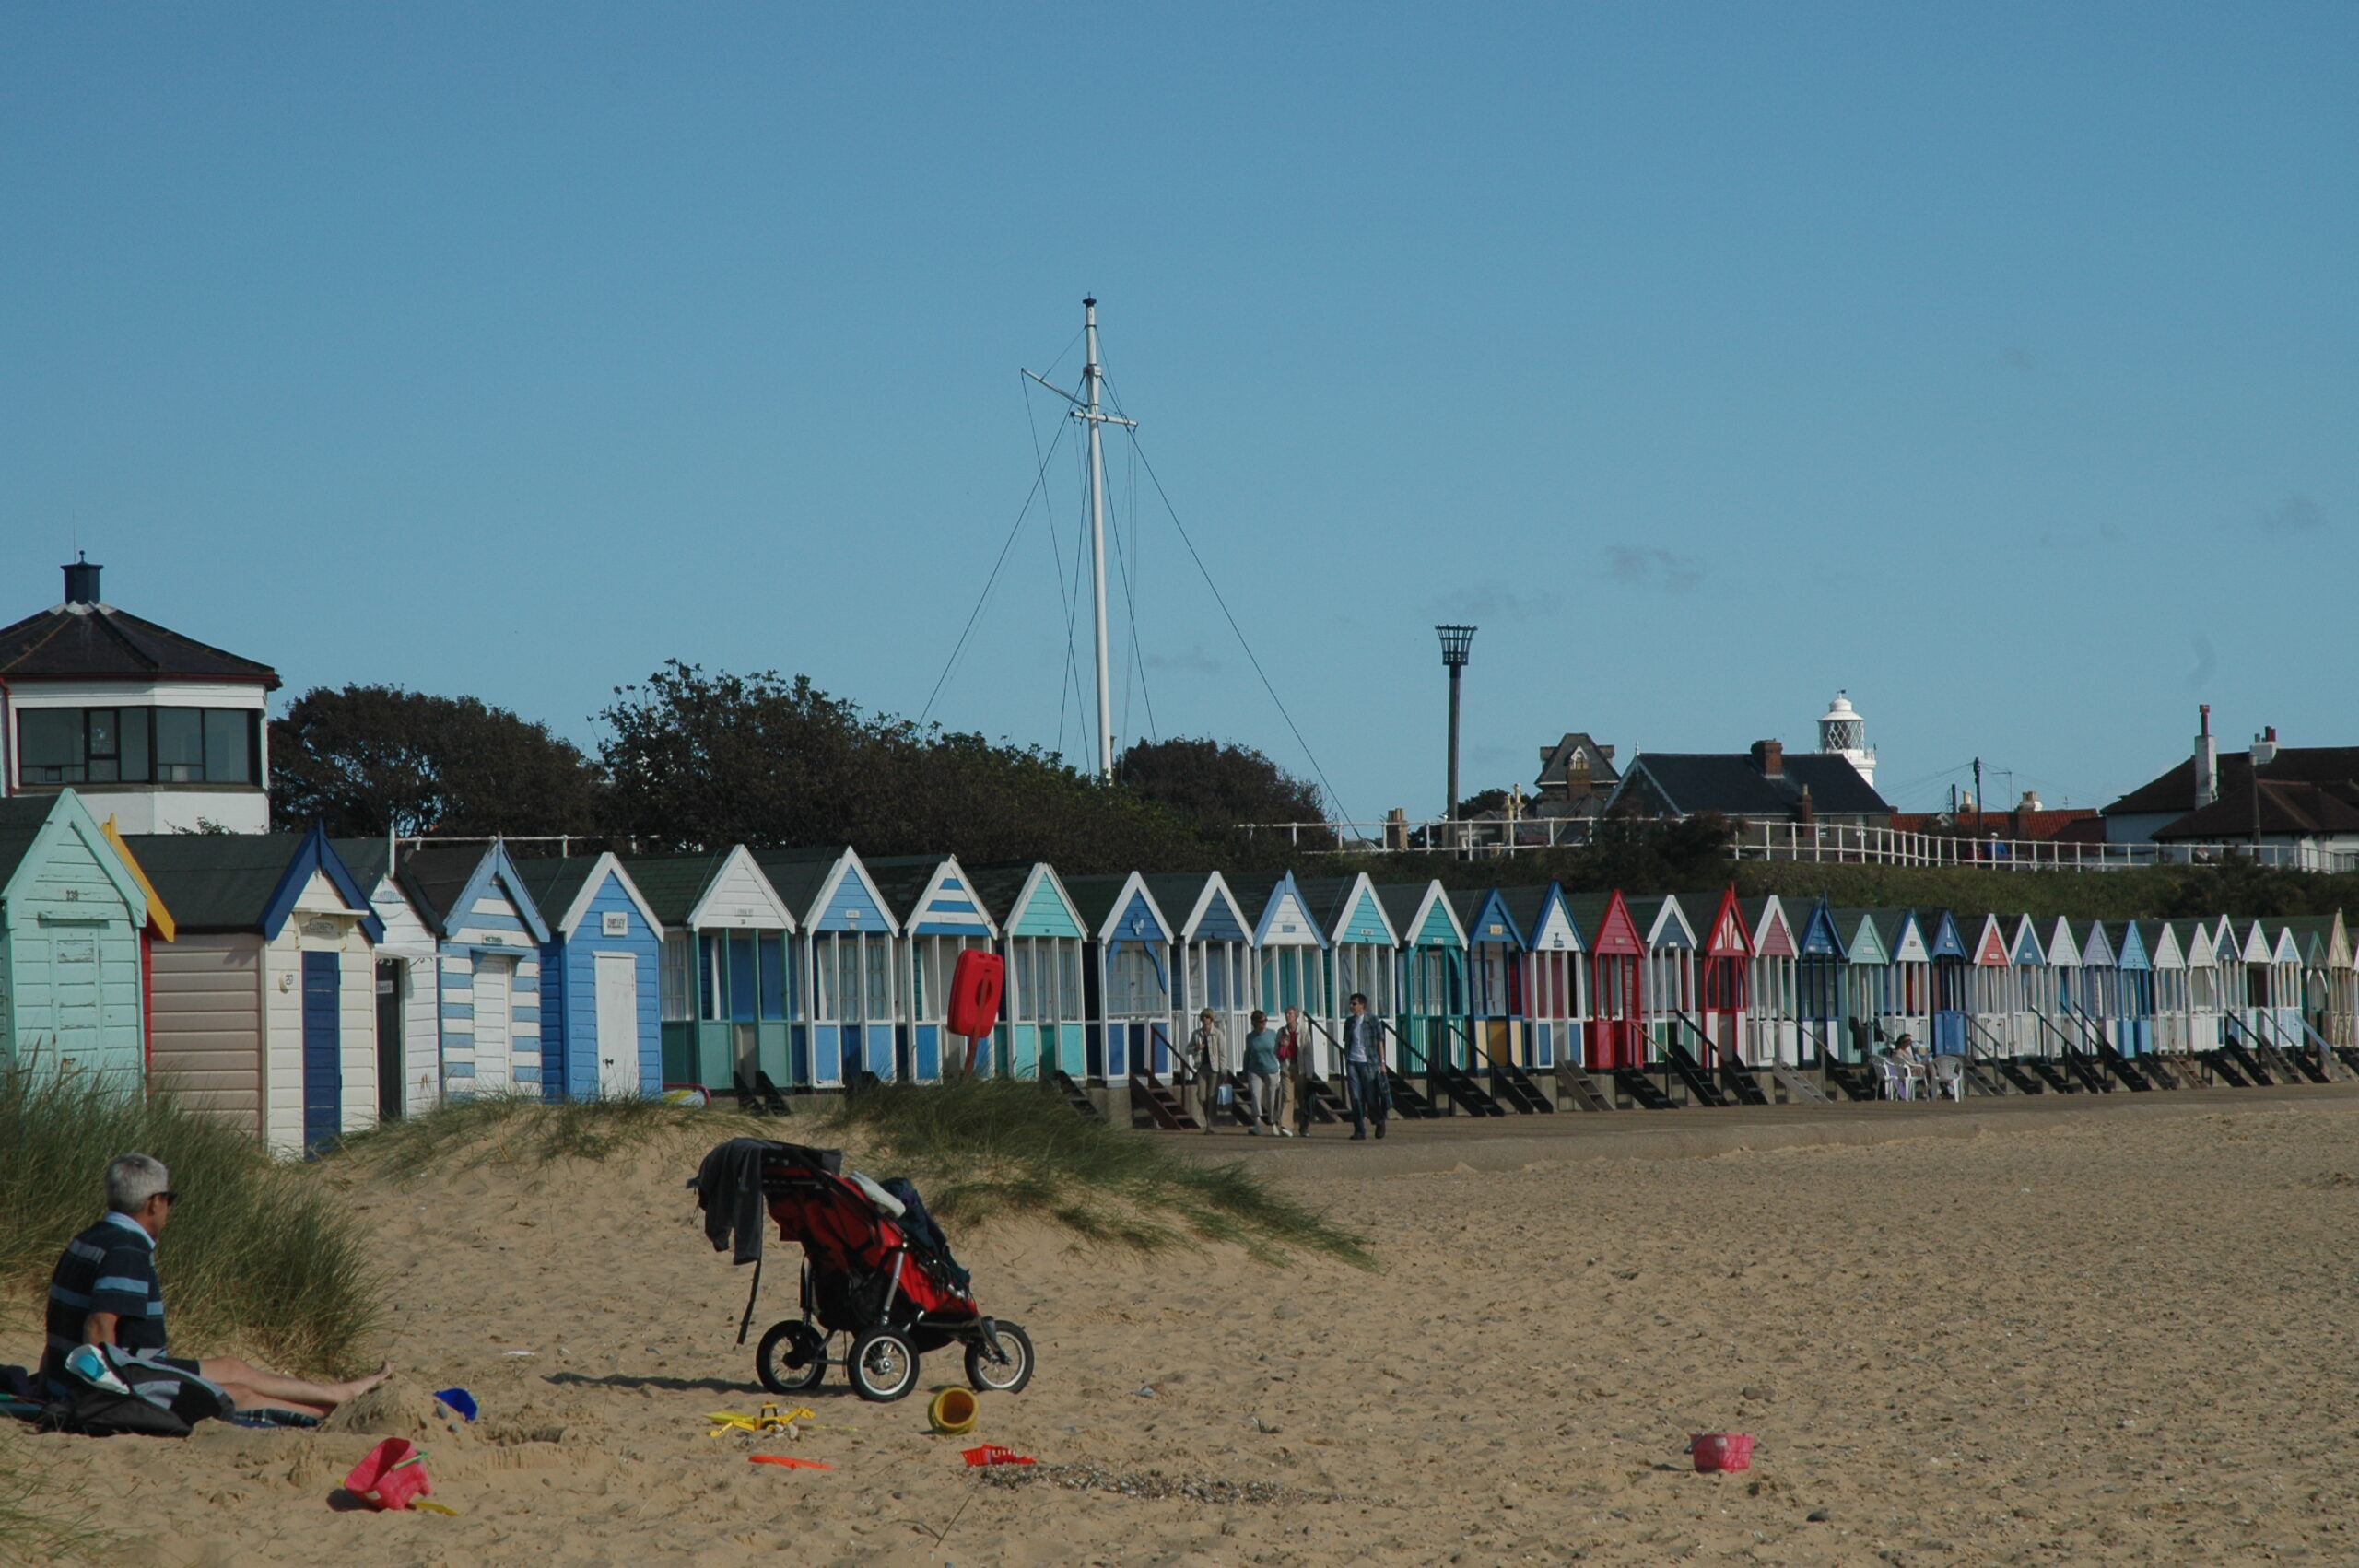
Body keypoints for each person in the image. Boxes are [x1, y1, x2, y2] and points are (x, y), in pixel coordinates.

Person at [44, 1153, 392, 1422]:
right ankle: (330, 1416)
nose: (168, 1210)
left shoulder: (89, 1238)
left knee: (233, 1367)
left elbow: (59, 1322)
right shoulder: (127, 1249)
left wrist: (48, 1379)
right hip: (120, 1380)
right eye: (169, 1199)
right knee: (237, 1393)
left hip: (76, 1373)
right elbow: (99, 1324)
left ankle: (339, 1395)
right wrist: (106, 1396)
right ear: (154, 1202)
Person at [1339, 993, 1389, 1141]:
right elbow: (1347, 1041)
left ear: (1362, 1005)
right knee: (1355, 1097)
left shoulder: (1373, 1020)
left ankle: (1379, 1121)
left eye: (1354, 1004)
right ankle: (1359, 1130)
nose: (1351, 1006)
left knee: (1371, 1096)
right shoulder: (1349, 1022)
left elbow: (1380, 1042)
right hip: (1352, 1062)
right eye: (1351, 1004)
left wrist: (1382, 1063)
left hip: (1369, 1062)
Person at [1240, 1010, 1284, 1135]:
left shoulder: (1272, 1034)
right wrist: (1244, 1071)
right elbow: (1247, 1054)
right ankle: (1257, 1124)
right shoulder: (1250, 1037)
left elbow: (1279, 1050)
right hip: (1255, 1070)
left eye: (1265, 1020)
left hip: (1271, 1069)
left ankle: (1273, 1123)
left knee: (1272, 1097)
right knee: (1255, 1096)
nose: (1264, 1023)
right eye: (1261, 1021)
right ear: (1255, 1022)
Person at [1188, 1008, 1225, 1133]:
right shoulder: (1196, 1034)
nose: (1205, 1019)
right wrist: (1196, 1048)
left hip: (1214, 1069)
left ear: (1211, 1019)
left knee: (1212, 1096)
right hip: (1201, 1068)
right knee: (1201, 1096)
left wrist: (1223, 1070)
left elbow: (1222, 1053)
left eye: (1207, 1017)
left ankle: (1210, 1124)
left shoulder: (1218, 1033)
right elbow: (1187, 1049)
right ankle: (1210, 1119)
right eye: (1203, 1017)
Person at [1279, 1004, 1313, 1137]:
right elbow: (1275, 1051)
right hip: (1287, 1067)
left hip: (1301, 1068)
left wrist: (1309, 1073)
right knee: (1288, 1097)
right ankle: (1286, 1126)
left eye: (1290, 1014)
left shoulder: (1303, 1031)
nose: (1288, 1016)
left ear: (1296, 1016)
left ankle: (1304, 1127)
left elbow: (1308, 1053)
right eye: (1286, 1014)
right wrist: (1281, 1046)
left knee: (1302, 1098)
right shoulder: (1282, 1032)